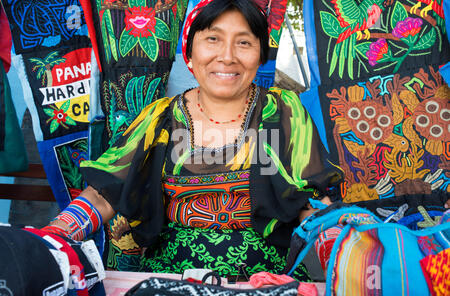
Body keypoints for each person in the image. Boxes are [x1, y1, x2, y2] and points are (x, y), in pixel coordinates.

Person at [41, 0, 342, 281]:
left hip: (265, 283)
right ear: (190, 50)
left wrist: (344, 250)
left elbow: (310, 200)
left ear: (260, 53)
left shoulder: (282, 112)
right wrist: (56, 234)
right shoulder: (161, 119)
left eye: (244, 42)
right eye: (213, 39)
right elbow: (103, 192)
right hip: (171, 281)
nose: (227, 56)